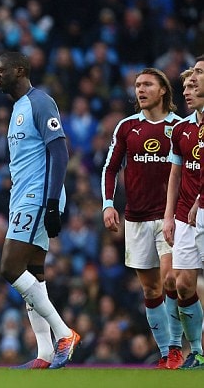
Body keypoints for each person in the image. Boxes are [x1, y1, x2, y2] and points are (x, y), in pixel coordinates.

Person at [0, 51, 80, 370]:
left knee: (9, 267)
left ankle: (63, 333)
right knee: (33, 273)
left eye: (1, 70)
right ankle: (45, 352)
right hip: (24, 196)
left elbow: (59, 152)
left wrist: (53, 201)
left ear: (20, 70)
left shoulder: (40, 102)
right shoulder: (17, 108)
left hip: (39, 196)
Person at [102, 67, 183, 369]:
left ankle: (177, 348)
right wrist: (108, 204)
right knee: (151, 290)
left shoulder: (179, 127)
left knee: (171, 279)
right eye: (137, 85)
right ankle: (166, 354)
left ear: (163, 90)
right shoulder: (126, 127)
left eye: (148, 84)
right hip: (135, 218)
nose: (141, 89)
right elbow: (110, 168)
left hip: (169, 218)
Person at [163, 67, 204, 369]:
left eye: (194, 83)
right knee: (184, 286)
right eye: (186, 86)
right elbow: (175, 173)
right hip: (184, 215)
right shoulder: (181, 129)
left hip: (200, 208)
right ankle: (198, 351)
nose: (186, 91)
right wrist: (168, 216)